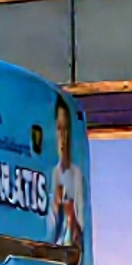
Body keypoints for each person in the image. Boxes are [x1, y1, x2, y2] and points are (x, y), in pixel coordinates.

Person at [48, 96, 83, 248]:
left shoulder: (76, 174)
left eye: (65, 129)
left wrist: (71, 214)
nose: (62, 136)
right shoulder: (54, 174)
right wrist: (56, 205)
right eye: (59, 128)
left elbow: (81, 225)